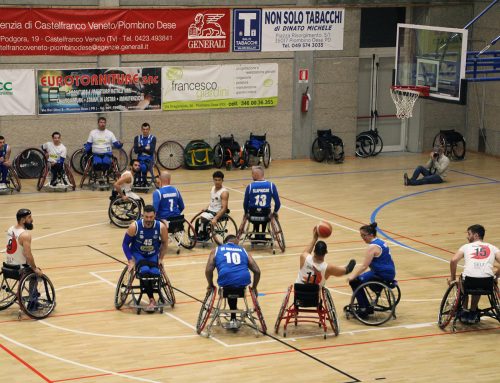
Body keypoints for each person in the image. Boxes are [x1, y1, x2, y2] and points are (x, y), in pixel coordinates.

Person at [205, 234, 260, 329]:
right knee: (235, 282)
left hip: (226, 281)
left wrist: (210, 285)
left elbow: (208, 270)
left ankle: (233, 317)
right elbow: (257, 271)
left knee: (229, 281)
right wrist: (254, 287)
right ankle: (233, 317)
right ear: (236, 242)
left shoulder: (217, 250)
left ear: (225, 242)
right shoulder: (243, 250)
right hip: (243, 282)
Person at [449, 224, 500, 324]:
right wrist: (496, 277)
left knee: (462, 281)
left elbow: (453, 260)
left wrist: (452, 278)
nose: (467, 236)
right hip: (487, 283)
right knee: (480, 282)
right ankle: (473, 312)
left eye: (469, 234)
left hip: (469, 281)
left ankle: (464, 311)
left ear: (476, 235)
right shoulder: (492, 248)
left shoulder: (466, 247)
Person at [122, 205, 168, 311]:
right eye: (146, 217)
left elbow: (165, 244)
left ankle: (151, 293)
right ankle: (151, 299)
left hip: (152, 255)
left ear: (155, 216)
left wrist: (161, 258)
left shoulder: (161, 227)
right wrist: (130, 260)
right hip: (138, 254)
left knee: (156, 273)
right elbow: (125, 244)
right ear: (143, 216)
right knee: (145, 271)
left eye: (151, 217)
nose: (148, 219)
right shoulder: (134, 227)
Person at [348, 222, 396, 318]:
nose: (362, 238)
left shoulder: (372, 247)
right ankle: (367, 306)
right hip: (389, 272)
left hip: (381, 274)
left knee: (354, 281)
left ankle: (364, 309)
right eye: (361, 236)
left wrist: (352, 276)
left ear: (371, 234)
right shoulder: (381, 242)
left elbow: (364, 266)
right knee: (359, 279)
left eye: (364, 235)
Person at [243, 165, 281, 238]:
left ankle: (257, 234)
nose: (251, 176)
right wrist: (275, 212)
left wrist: (245, 212)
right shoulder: (271, 185)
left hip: (252, 216)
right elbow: (278, 203)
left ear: (256, 174)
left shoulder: (250, 186)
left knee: (254, 211)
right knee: (265, 213)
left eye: (252, 174)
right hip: (266, 216)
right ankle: (263, 234)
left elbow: (245, 203)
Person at [5, 209, 43, 277]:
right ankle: (33, 288)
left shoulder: (10, 229)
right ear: (23, 220)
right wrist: (34, 268)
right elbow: (27, 255)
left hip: (7, 266)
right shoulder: (25, 235)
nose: (32, 220)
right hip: (19, 269)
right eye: (29, 217)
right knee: (37, 272)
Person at [196, 171, 229, 241]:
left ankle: (204, 234)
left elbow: (224, 208)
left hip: (218, 212)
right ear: (213, 180)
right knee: (197, 220)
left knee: (203, 217)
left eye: (219, 180)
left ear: (222, 180)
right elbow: (212, 201)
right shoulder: (213, 188)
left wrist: (216, 218)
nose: (217, 182)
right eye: (215, 180)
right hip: (211, 210)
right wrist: (206, 207)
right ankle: (200, 233)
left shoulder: (224, 192)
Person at [133, 122, 157, 187]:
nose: (145, 131)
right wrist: (145, 148)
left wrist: (140, 147)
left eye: (147, 129)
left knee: (143, 167)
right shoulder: (137, 138)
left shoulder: (153, 138)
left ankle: (144, 182)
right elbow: (136, 151)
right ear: (141, 129)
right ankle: (137, 182)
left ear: (149, 130)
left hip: (149, 159)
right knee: (135, 166)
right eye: (144, 129)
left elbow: (151, 152)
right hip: (139, 159)